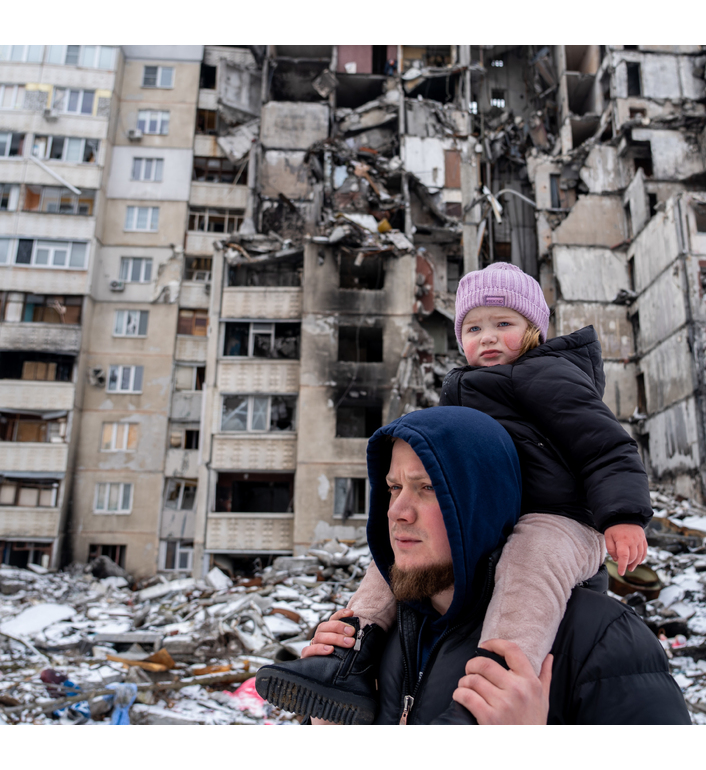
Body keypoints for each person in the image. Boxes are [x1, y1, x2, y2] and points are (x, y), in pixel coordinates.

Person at [255, 262, 653, 723]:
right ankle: (348, 656)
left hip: (560, 521)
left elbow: (605, 447)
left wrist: (621, 515)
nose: (487, 337)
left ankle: (495, 686)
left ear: (534, 332)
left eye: (504, 324)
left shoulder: (548, 375)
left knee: (529, 558)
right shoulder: (462, 389)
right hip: (492, 518)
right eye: (474, 326)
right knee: (397, 558)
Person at [255, 407, 690, 724]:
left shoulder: (602, 638)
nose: (398, 511)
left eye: (427, 488)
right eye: (393, 488)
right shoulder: (382, 638)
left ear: (481, 505)